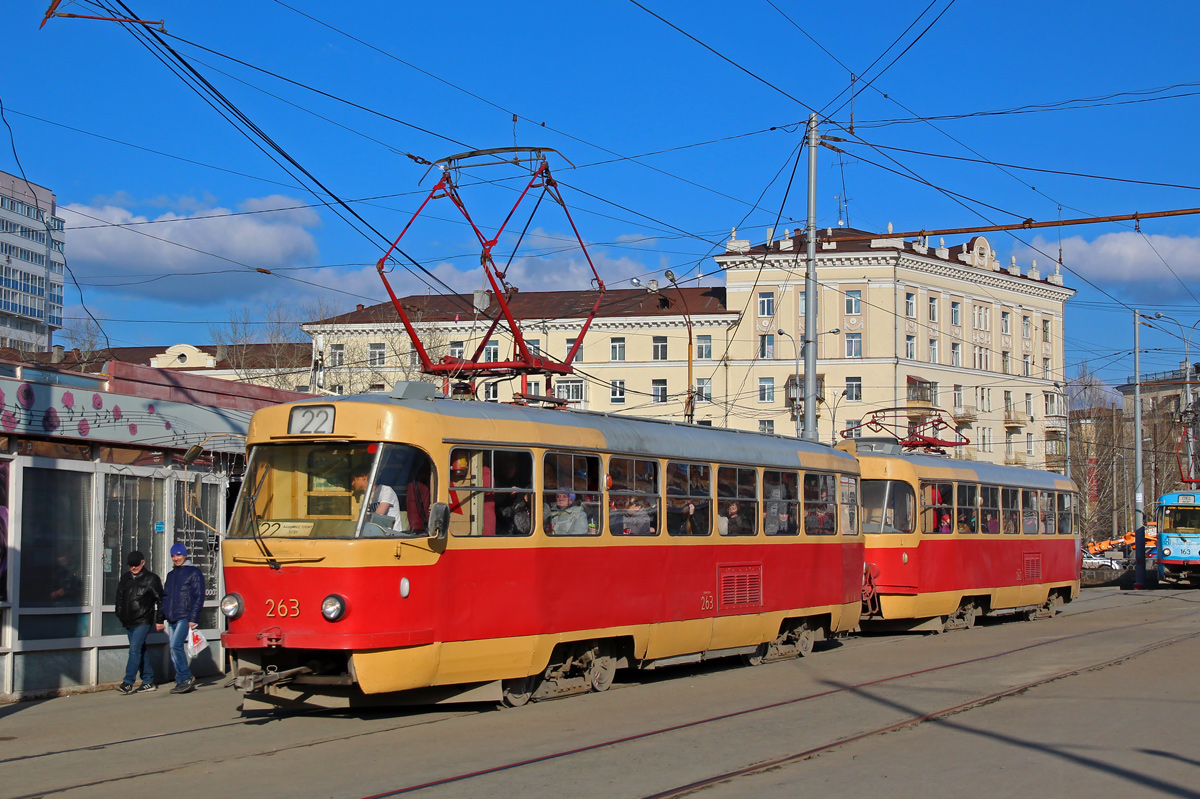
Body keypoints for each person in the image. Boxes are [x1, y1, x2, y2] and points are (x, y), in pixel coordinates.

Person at [114, 550, 164, 694]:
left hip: (143, 620)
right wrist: (120, 613)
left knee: (134, 649)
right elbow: (119, 599)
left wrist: (159, 619)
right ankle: (148, 680)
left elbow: (160, 600)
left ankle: (128, 682)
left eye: (136, 564)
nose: (133, 567)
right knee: (140, 650)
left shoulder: (151, 579)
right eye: (130, 565)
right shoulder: (125, 578)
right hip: (128, 621)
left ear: (143, 563)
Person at [160, 543, 205, 694]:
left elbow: (199, 596)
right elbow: (165, 597)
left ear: (184, 555)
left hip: (184, 616)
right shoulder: (171, 575)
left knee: (175, 646)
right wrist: (161, 617)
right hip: (172, 617)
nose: (176, 558)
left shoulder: (193, 572)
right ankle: (181, 680)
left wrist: (193, 617)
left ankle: (186, 677)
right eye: (173, 556)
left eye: (178, 555)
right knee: (174, 650)